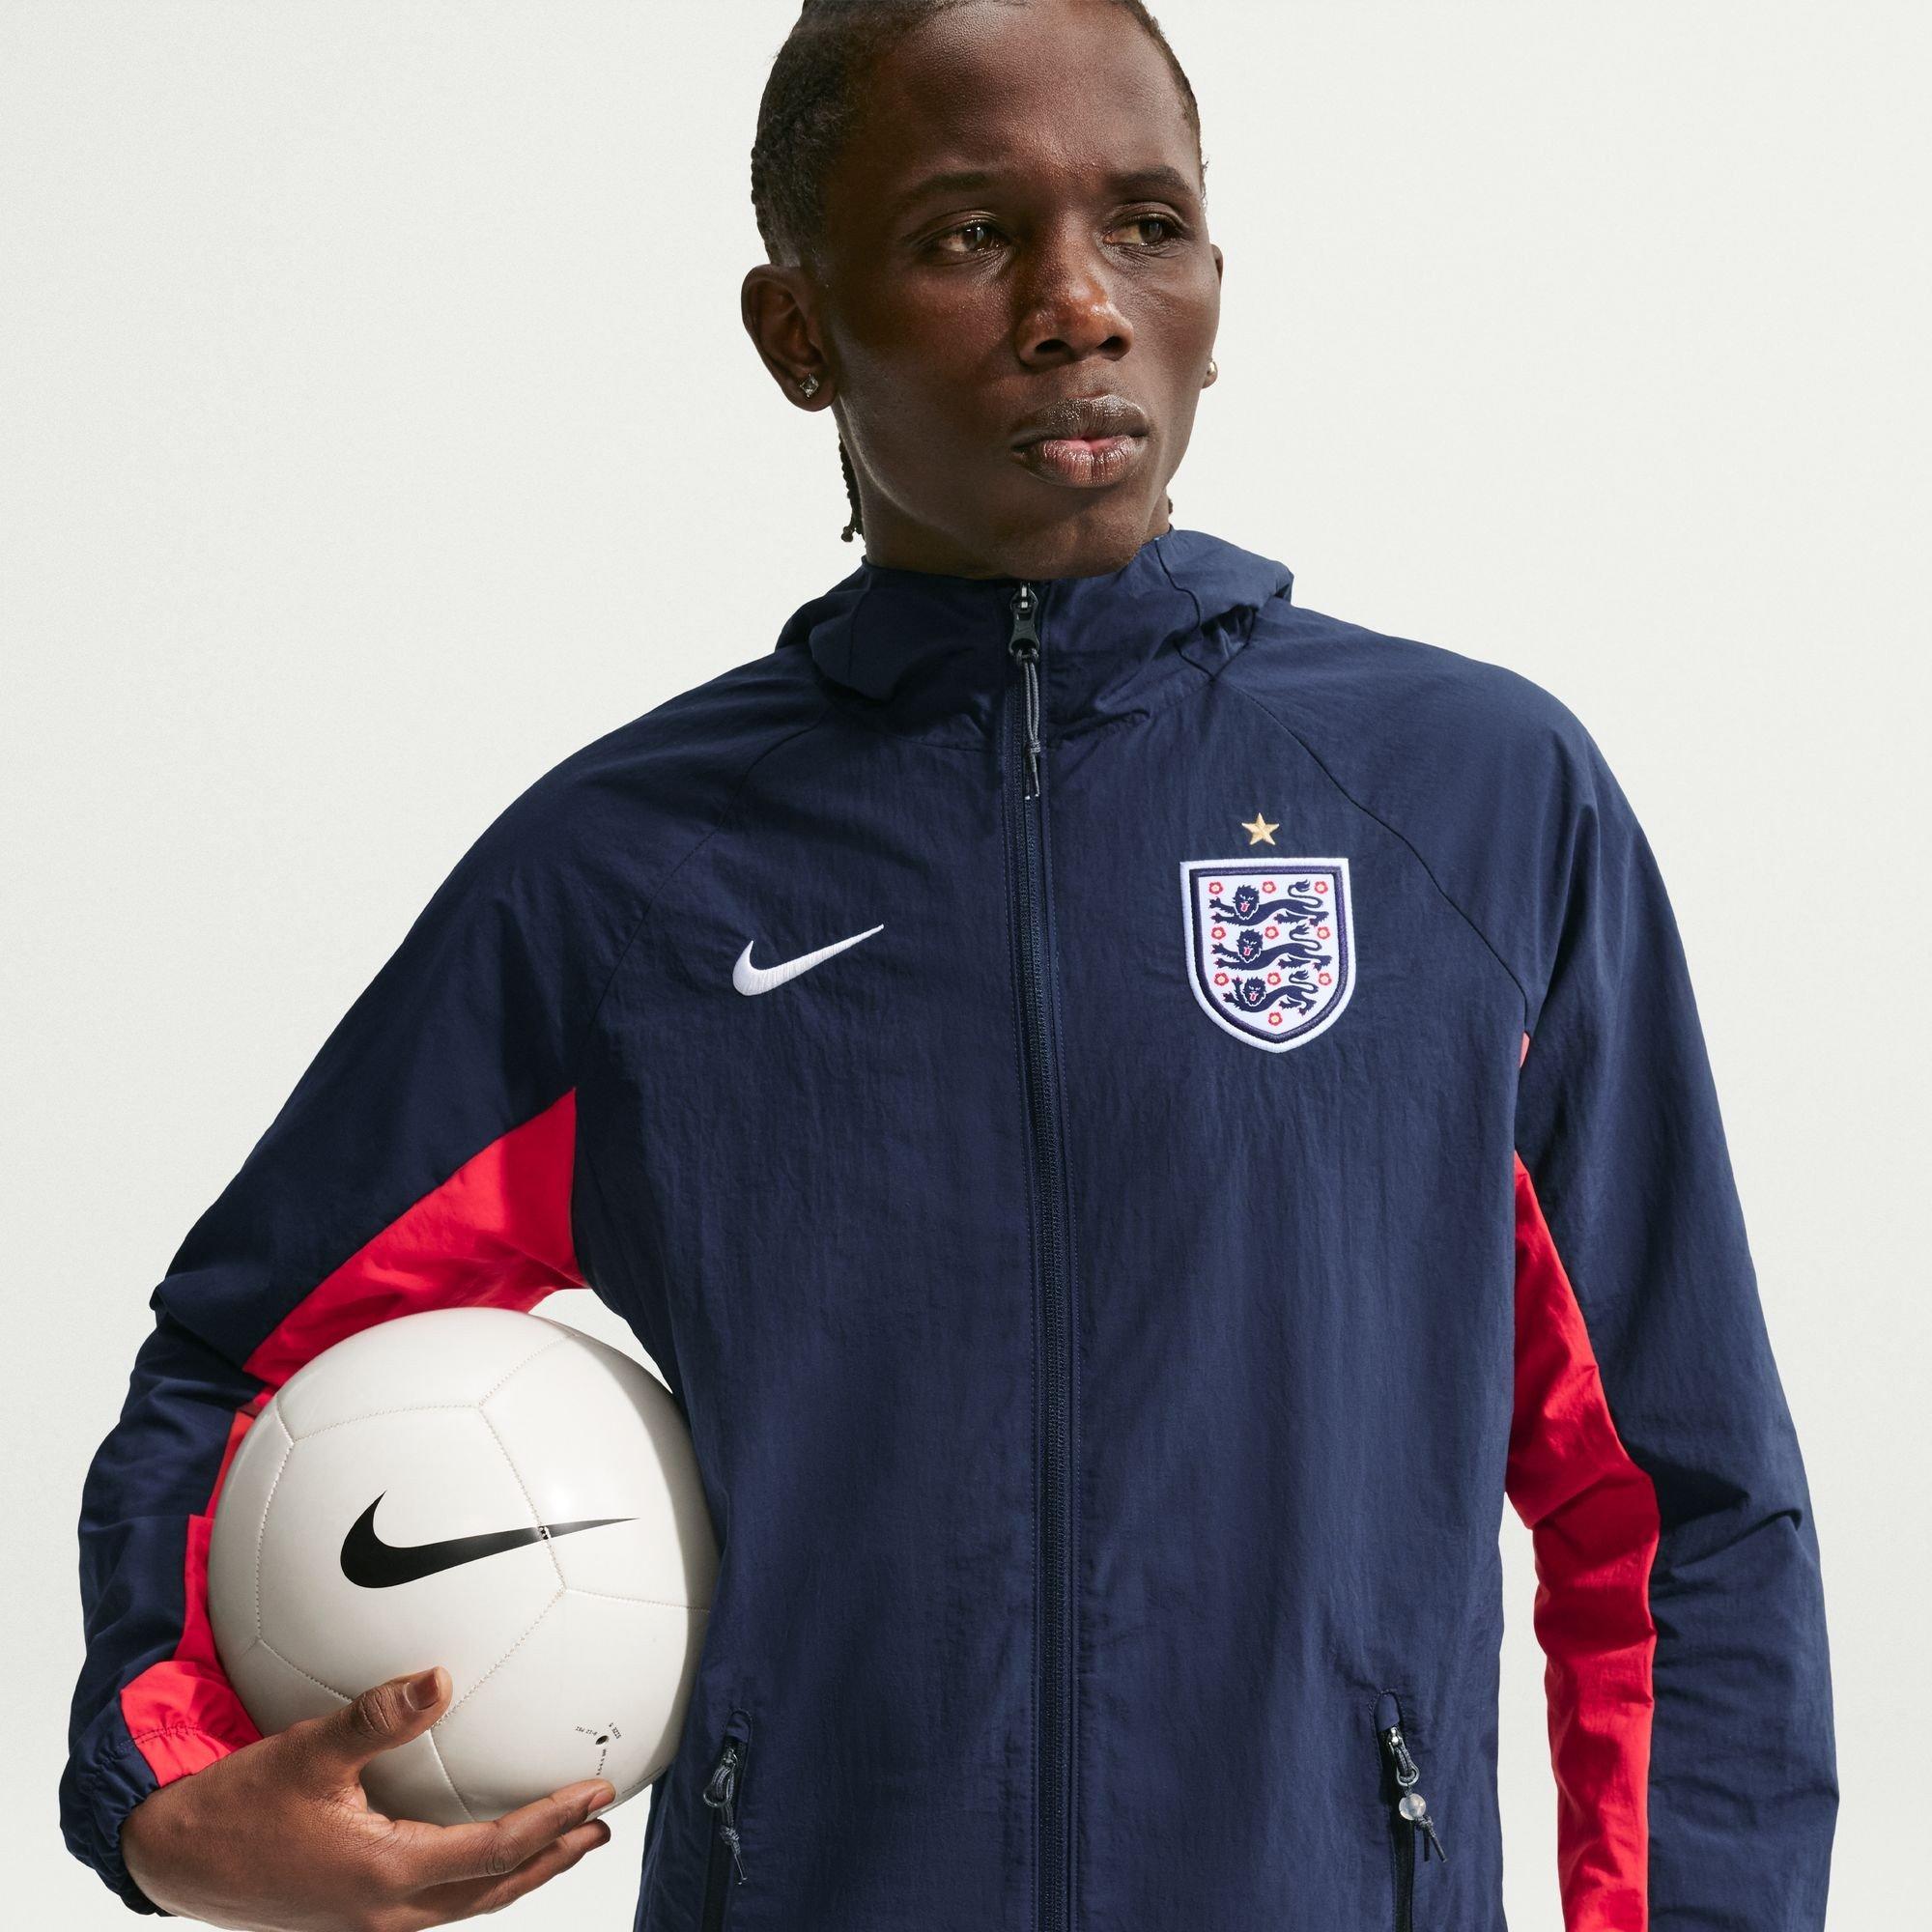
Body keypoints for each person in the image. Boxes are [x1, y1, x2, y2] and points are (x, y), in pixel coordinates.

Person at [62, 2, 1839, 1927]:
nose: (1079, 307)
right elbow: (247, 1352)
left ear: (1215, 292)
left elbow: (1672, 1501)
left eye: (1144, 224)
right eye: (968, 235)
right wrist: (170, 1787)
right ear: (798, 331)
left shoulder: (1469, 808)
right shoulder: (635, 874)